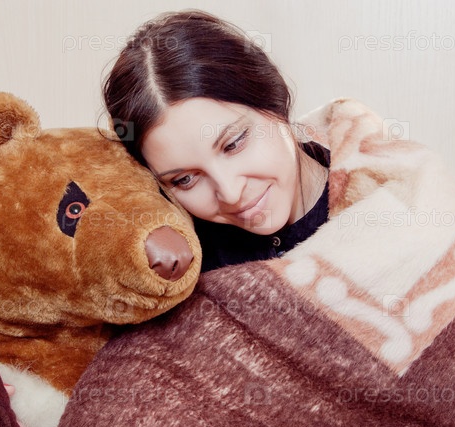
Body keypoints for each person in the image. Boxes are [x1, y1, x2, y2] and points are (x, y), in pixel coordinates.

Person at [103, 9, 331, 272]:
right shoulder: (180, 261)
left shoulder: (370, 206)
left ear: (274, 99)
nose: (231, 194)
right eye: (185, 179)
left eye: (233, 144)